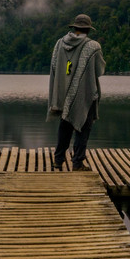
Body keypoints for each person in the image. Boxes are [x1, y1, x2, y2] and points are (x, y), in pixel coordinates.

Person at [47, 13, 106, 171]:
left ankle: (58, 160)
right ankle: (78, 163)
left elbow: (53, 67)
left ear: (74, 28)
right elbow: (99, 70)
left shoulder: (59, 44)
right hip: (85, 94)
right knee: (82, 128)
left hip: (64, 94)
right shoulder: (93, 46)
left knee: (65, 127)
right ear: (88, 29)